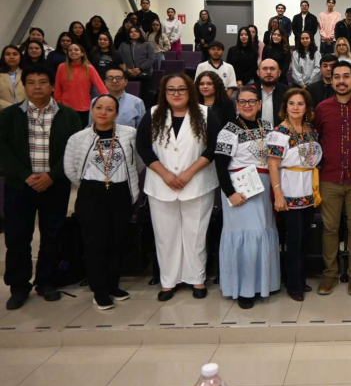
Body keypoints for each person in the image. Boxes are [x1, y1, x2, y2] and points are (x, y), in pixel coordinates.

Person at [0, 65, 81, 310]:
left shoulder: (68, 115)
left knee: (51, 235)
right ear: (24, 86)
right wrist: (25, 175)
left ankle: (46, 281)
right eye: (32, 82)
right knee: (17, 237)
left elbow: (74, 150)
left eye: (43, 82)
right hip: (19, 186)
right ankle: (18, 286)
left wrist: (52, 175)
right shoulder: (9, 115)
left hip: (54, 185)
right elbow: (3, 150)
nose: (37, 87)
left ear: (52, 86)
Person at [136, 74, 221, 302]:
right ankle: (168, 281)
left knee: (196, 234)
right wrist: (165, 174)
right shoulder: (153, 114)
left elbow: (213, 147)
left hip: (197, 182)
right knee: (166, 235)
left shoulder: (205, 114)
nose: (176, 94)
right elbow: (143, 148)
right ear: (164, 93)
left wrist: (189, 172)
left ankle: (197, 279)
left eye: (181, 89)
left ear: (190, 91)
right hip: (161, 185)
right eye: (171, 89)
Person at [64, 94, 140, 310]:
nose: (103, 113)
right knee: (95, 244)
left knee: (117, 241)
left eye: (109, 109)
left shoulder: (130, 134)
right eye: (99, 107)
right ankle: (99, 290)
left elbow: (138, 162)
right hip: (91, 195)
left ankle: (113, 285)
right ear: (92, 109)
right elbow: (70, 169)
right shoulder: (78, 138)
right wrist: (92, 184)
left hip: (121, 193)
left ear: (116, 113)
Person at [214, 86, 280, 309]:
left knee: (263, 231)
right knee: (245, 238)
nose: (247, 105)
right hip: (240, 190)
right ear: (237, 105)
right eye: (242, 102)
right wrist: (230, 194)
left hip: (264, 187)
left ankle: (264, 283)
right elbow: (220, 166)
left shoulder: (268, 127)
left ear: (260, 104)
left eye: (252, 101)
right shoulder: (228, 130)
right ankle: (244, 289)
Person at [313, 61, 351, 295]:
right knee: (330, 228)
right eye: (336, 76)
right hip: (329, 177)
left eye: (346, 76)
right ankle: (330, 273)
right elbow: (316, 140)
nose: (341, 81)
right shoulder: (321, 108)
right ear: (331, 81)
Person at [267, 88, 322, 301]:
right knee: (295, 239)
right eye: (292, 103)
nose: (296, 107)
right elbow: (273, 165)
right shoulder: (279, 133)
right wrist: (278, 195)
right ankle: (293, 285)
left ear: (307, 107)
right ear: (285, 107)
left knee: (305, 237)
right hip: (290, 190)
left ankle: (301, 279)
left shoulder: (310, 129)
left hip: (309, 189)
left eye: (300, 104)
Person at [54, 43, 107, 125]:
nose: (73, 52)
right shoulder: (61, 67)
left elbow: (101, 87)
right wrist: (58, 105)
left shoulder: (89, 68)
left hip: (83, 108)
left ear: (82, 53)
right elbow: (57, 88)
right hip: (65, 107)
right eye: (70, 50)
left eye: (76, 50)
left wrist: (108, 102)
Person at [118, 25, 155, 101]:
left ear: (140, 33)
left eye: (136, 31)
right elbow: (119, 60)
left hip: (144, 74)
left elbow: (151, 59)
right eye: (131, 32)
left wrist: (140, 69)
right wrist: (127, 70)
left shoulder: (147, 44)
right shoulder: (123, 45)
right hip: (128, 75)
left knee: (145, 97)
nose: (133, 33)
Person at [252, 58, 289, 127]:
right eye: (264, 69)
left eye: (272, 69)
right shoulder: (248, 91)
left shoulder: (288, 92)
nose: (268, 72)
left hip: (282, 132)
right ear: (258, 72)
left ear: (279, 73)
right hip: (253, 132)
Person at [0, 45, 26, 109]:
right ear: (3, 57)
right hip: (4, 111)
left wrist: (23, 107)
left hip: (26, 110)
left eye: (15, 54)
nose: (11, 57)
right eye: (8, 54)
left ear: (20, 56)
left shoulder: (28, 73)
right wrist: (12, 108)